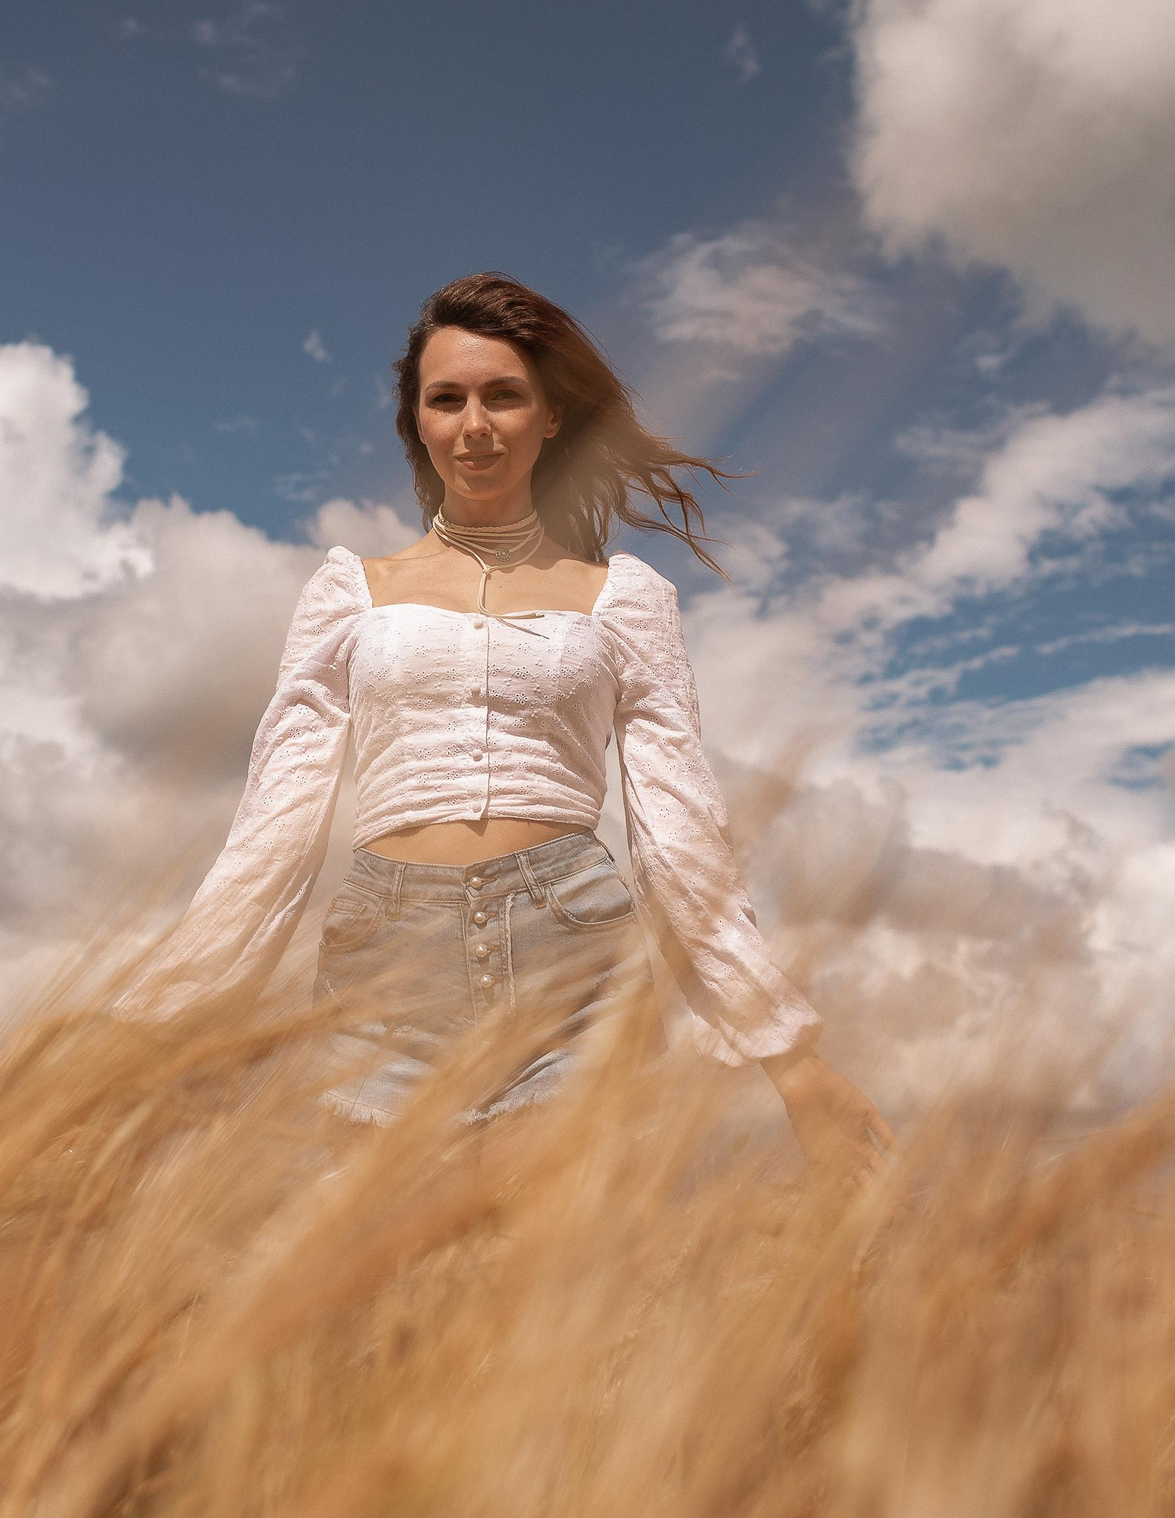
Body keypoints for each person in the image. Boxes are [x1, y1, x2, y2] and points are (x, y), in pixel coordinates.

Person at [123, 273, 893, 1175]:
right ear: (417, 420)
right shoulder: (348, 592)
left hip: (574, 949)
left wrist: (787, 1056)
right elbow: (275, 825)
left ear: (552, 415)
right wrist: (152, 1023)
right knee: (382, 1298)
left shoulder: (627, 600)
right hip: (384, 964)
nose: (474, 424)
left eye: (504, 395)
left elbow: (681, 832)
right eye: (445, 399)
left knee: (541, 1302)